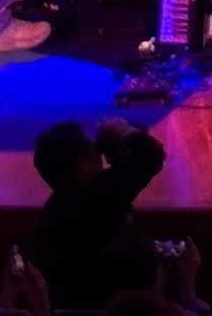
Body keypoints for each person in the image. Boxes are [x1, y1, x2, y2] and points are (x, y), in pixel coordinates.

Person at [31, 119, 168, 308]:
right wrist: (123, 130)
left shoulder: (60, 203)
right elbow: (150, 157)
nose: (100, 154)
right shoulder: (98, 196)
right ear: (82, 163)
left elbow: (122, 174)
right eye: (95, 150)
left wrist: (112, 146)